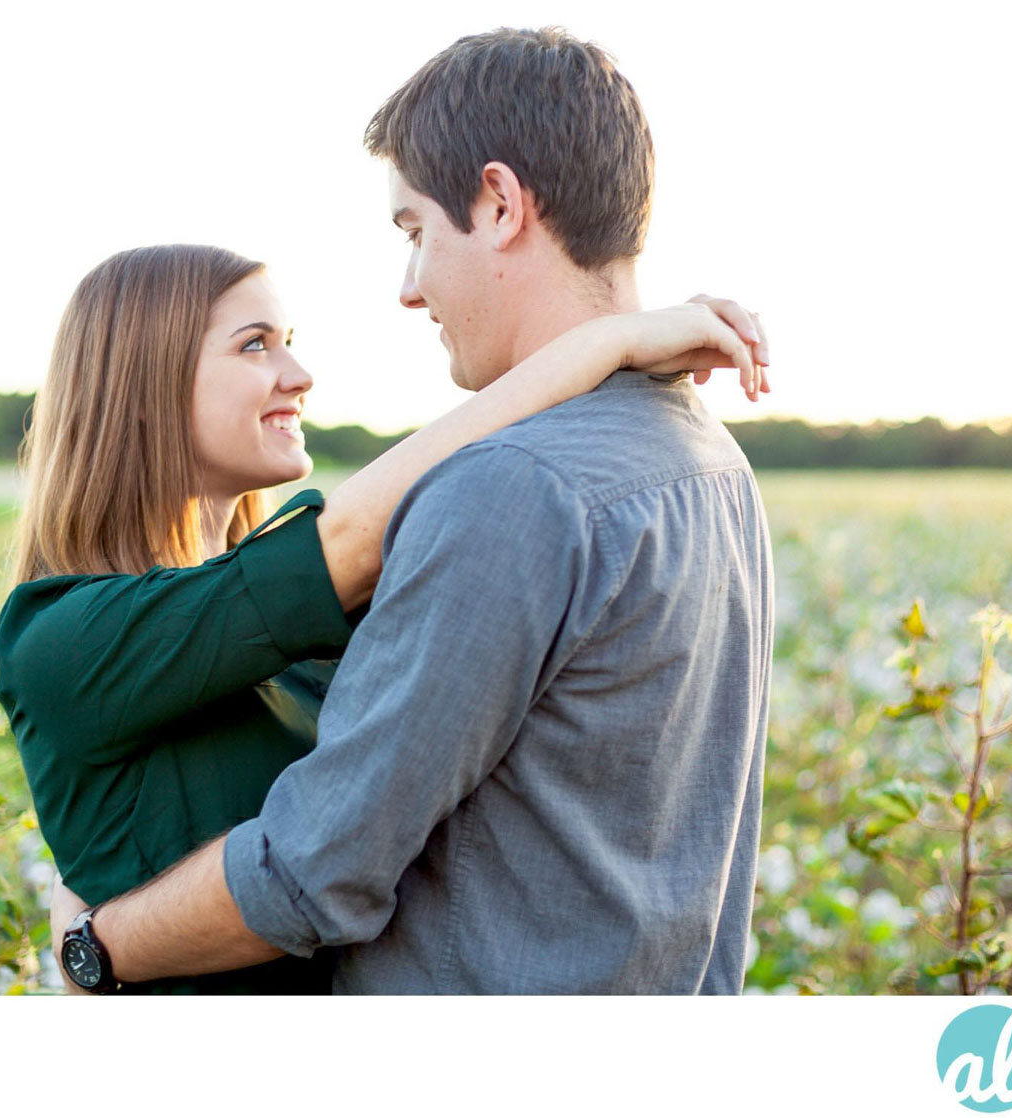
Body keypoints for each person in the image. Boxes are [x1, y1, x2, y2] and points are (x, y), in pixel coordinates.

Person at [52, 26, 775, 995]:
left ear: (501, 203)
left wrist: (97, 946)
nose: (409, 285)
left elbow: (313, 874)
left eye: (414, 231)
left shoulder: (511, 489)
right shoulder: (710, 460)